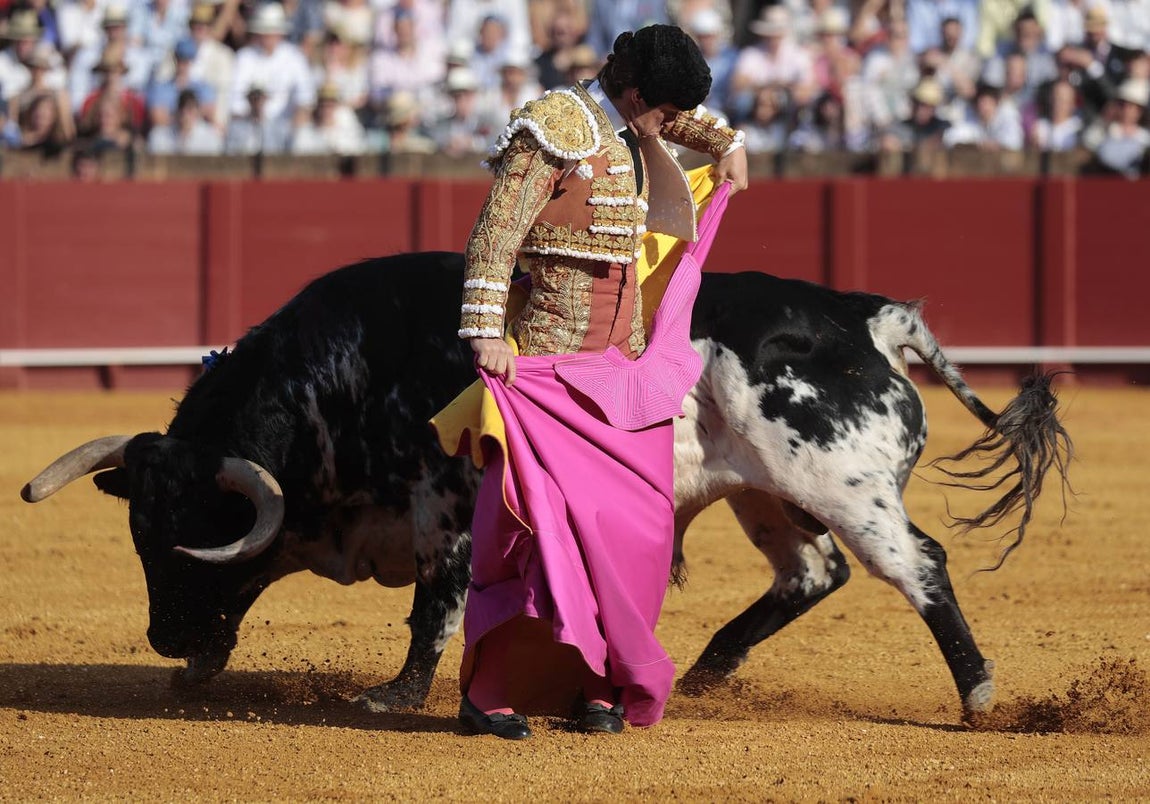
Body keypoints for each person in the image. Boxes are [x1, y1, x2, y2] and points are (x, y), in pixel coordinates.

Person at [449, 23, 747, 740]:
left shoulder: (645, 119)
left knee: (636, 538)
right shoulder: (554, 127)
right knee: (529, 532)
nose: (674, 130)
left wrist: (727, 141)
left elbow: (691, 121)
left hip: (624, 370)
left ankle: (600, 683)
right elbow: (494, 235)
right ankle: (487, 692)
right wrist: (487, 333)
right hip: (548, 367)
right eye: (667, 114)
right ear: (635, 92)